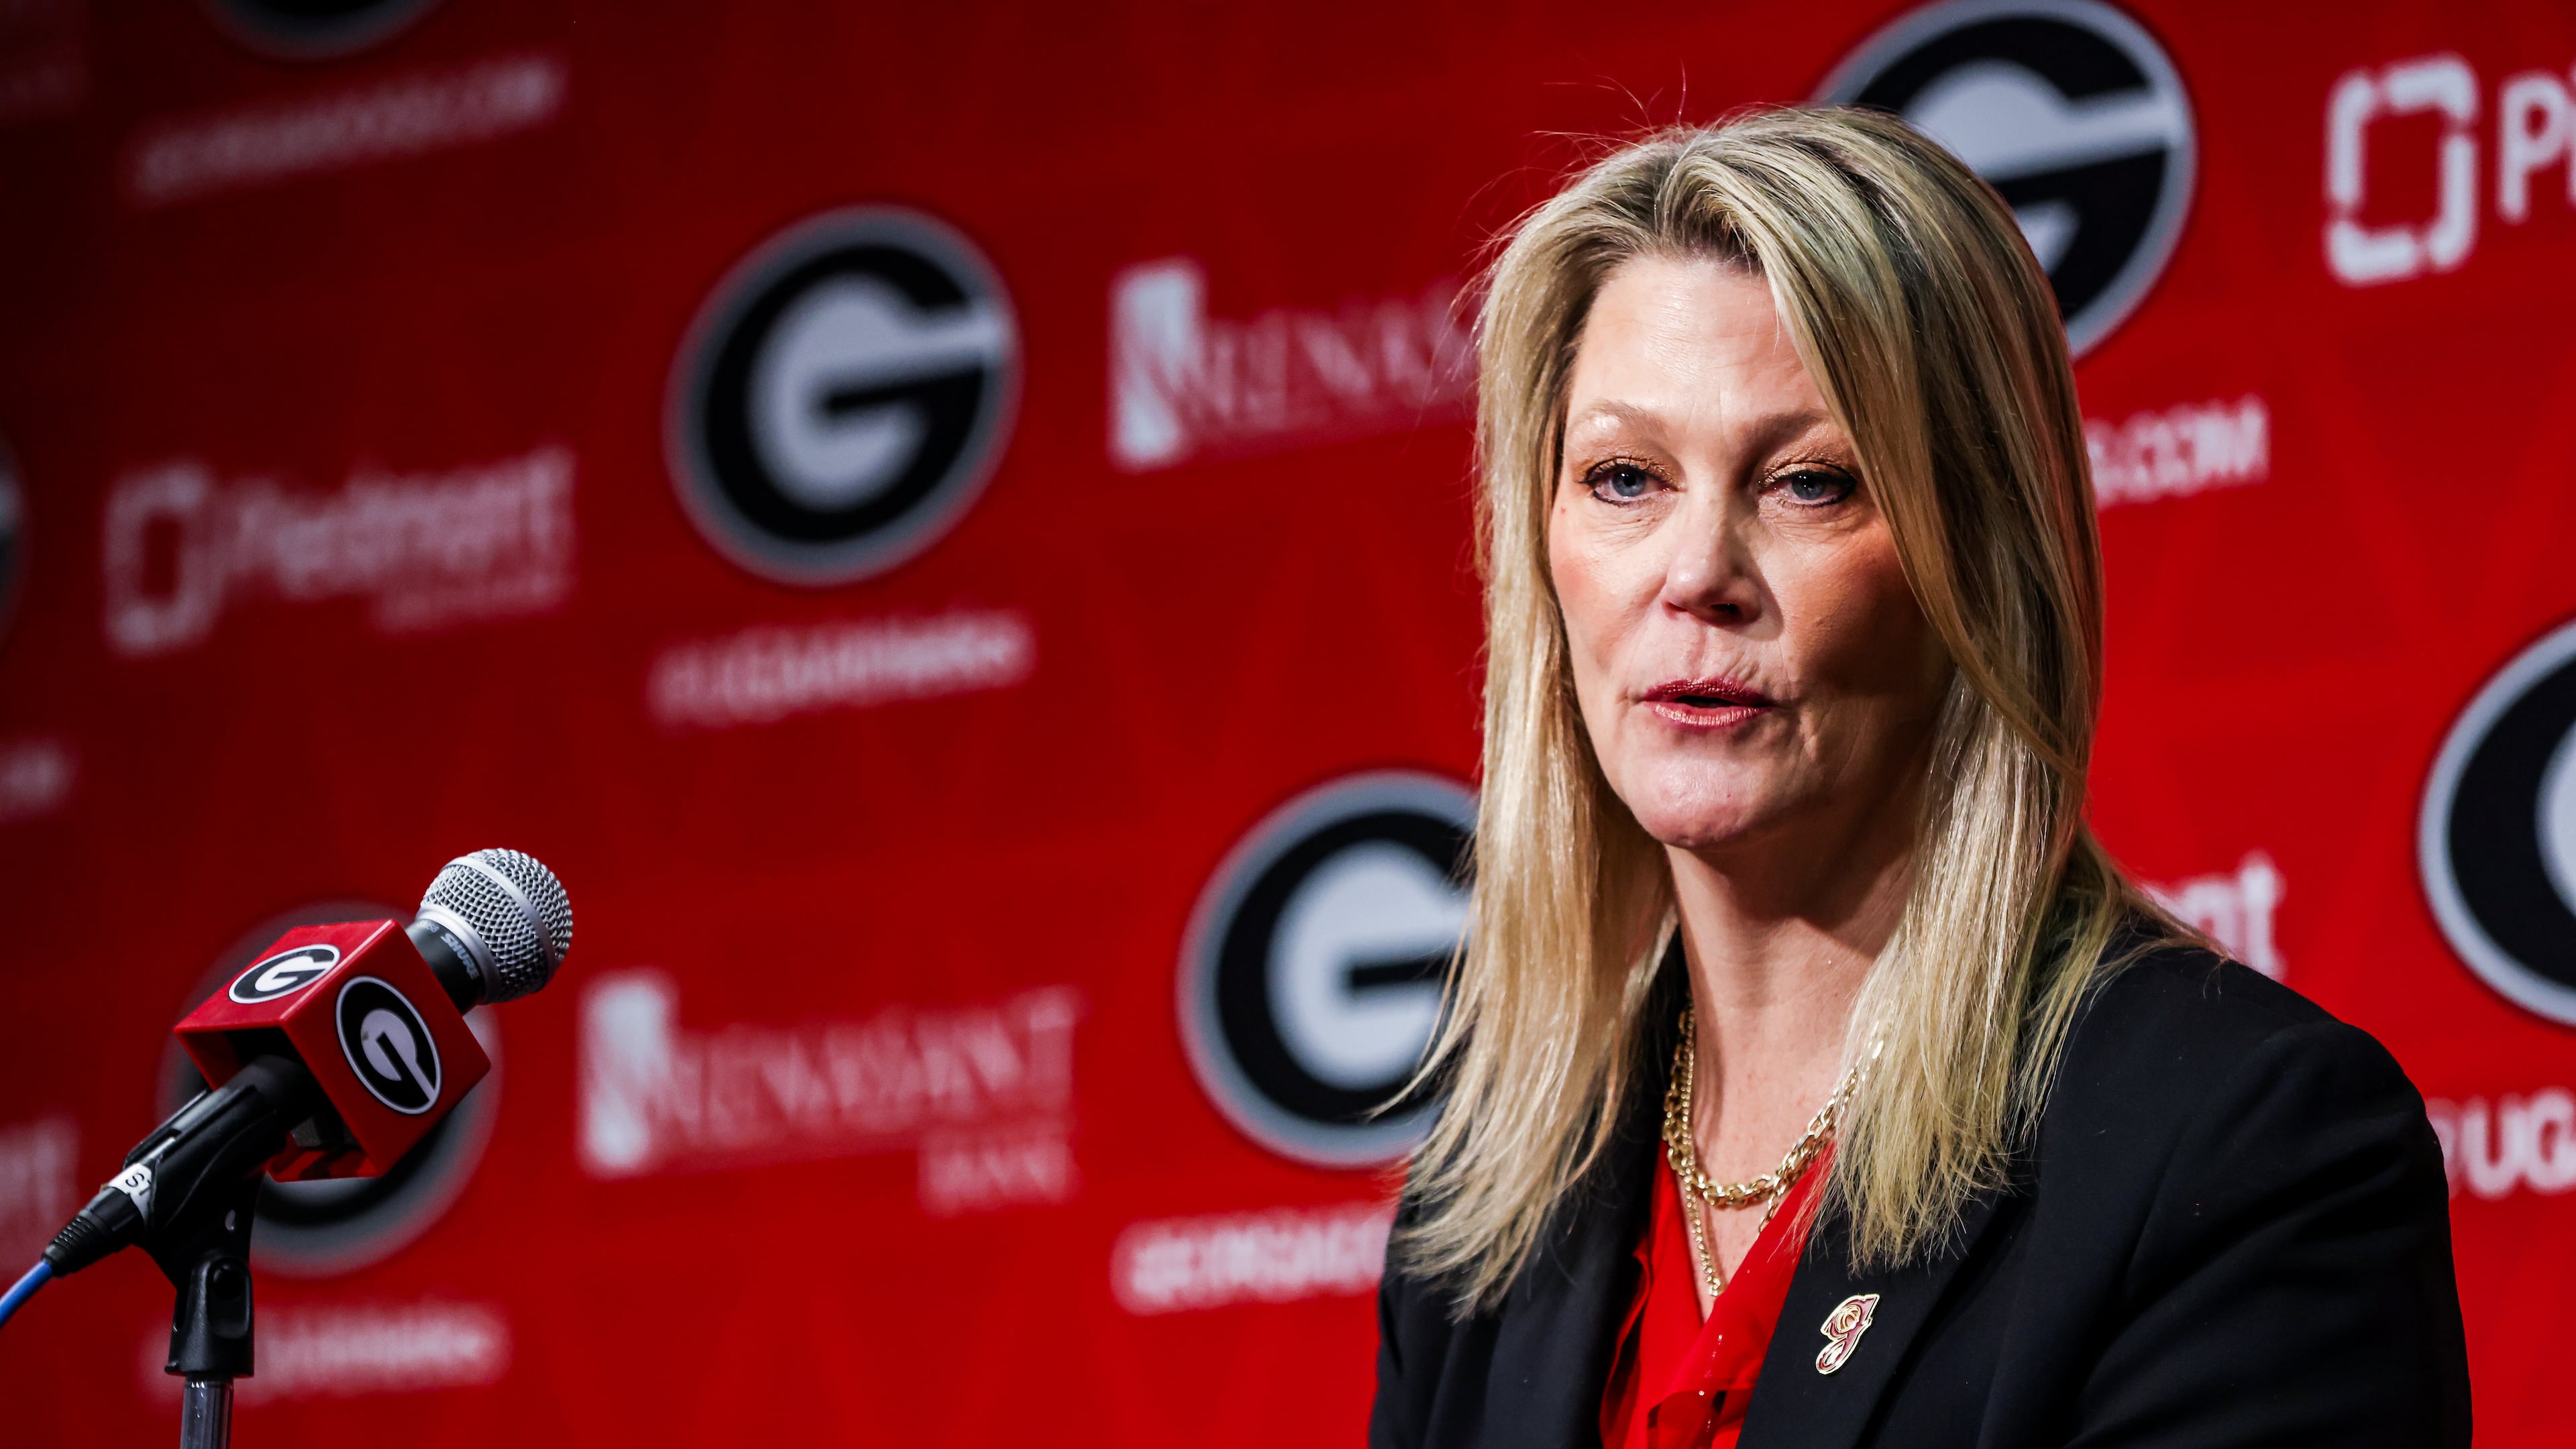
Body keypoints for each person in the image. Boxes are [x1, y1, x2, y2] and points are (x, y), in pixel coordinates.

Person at [1368, 107, 2469, 1449]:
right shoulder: (1482, 1223)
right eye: (1624, 478)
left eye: (1809, 483)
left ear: (1982, 562)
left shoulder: (2242, 1150)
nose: (1696, 572)